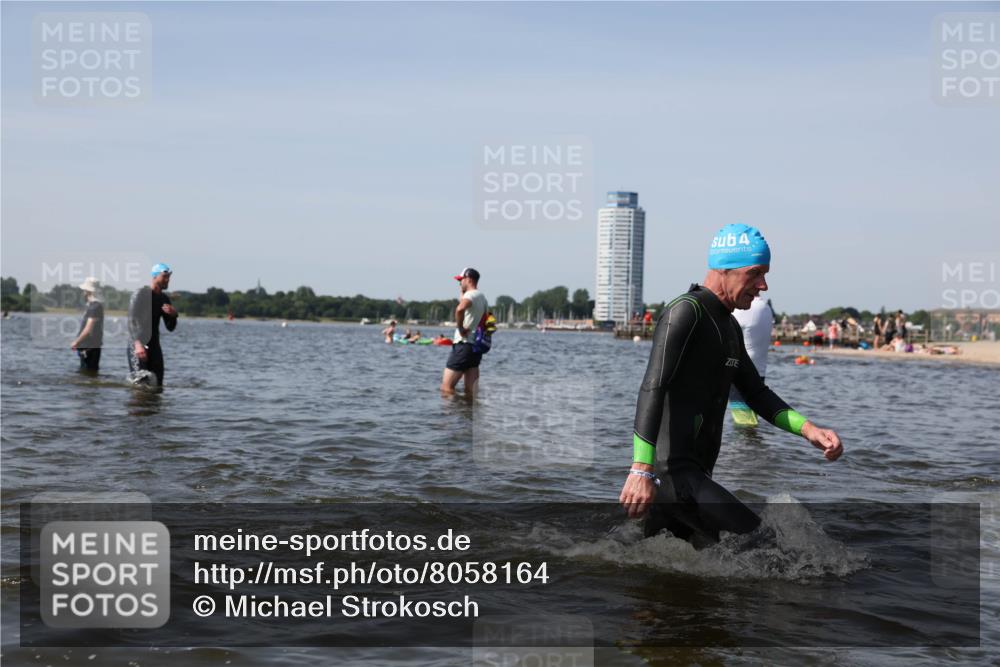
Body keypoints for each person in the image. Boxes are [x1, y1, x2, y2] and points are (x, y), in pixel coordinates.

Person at [619, 224, 843, 547]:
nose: (763, 285)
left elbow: (756, 393)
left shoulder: (730, 328)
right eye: (755, 273)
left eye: (765, 274)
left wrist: (809, 430)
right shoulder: (686, 312)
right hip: (672, 477)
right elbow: (653, 387)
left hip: (694, 477)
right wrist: (641, 469)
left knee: (664, 577)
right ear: (724, 268)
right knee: (764, 547)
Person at [127, 263, 178, 386]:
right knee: (140, 385)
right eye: (165, 276)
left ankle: (154, 406)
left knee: (158, 385)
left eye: (169, 277)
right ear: (155, 276)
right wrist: (138, 345)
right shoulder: (141, 294)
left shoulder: (164, 299)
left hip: (154, 346)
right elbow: (131, 320)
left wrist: (174, 315)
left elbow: (170, 327)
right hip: (138, 345)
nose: (168, 279)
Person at [440, 267, 488, 396]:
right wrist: (462, 291)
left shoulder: (470, 295)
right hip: (475, 348)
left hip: (463, 344)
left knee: (446, 387)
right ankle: (467, 414)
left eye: (461, 280)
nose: (459, 283)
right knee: (471, 391)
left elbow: (460, 309)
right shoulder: (482, 297)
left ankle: (451, 415)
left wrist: (460, 328)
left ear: (468, 279)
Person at [728, 295, 773, 426]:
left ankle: (745, 447)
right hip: (759, 371)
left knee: (744, 424)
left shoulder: (744, 309)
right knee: (751, 423)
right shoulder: (766, 307)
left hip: (741, 372)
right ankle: (753, 446)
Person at [69, 276, 105, 373]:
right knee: (87, 376)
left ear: (89, 291)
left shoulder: (95, 306)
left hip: (90, 348)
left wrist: (76, 342)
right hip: (88, 347)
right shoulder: (93, 306)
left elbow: (88, 328)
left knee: (88, 373)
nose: (83, 292)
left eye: (85, 290)